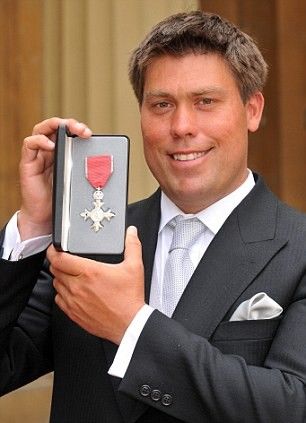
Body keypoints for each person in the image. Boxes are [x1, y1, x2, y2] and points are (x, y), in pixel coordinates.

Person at [0, 10, 306, 423]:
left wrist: (131, 327)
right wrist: (33, 226)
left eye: (205, 102)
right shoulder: (88, 244)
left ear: (252, 110)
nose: (181, 126)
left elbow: (291, 406)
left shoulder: (298, 247)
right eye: (162, 104)